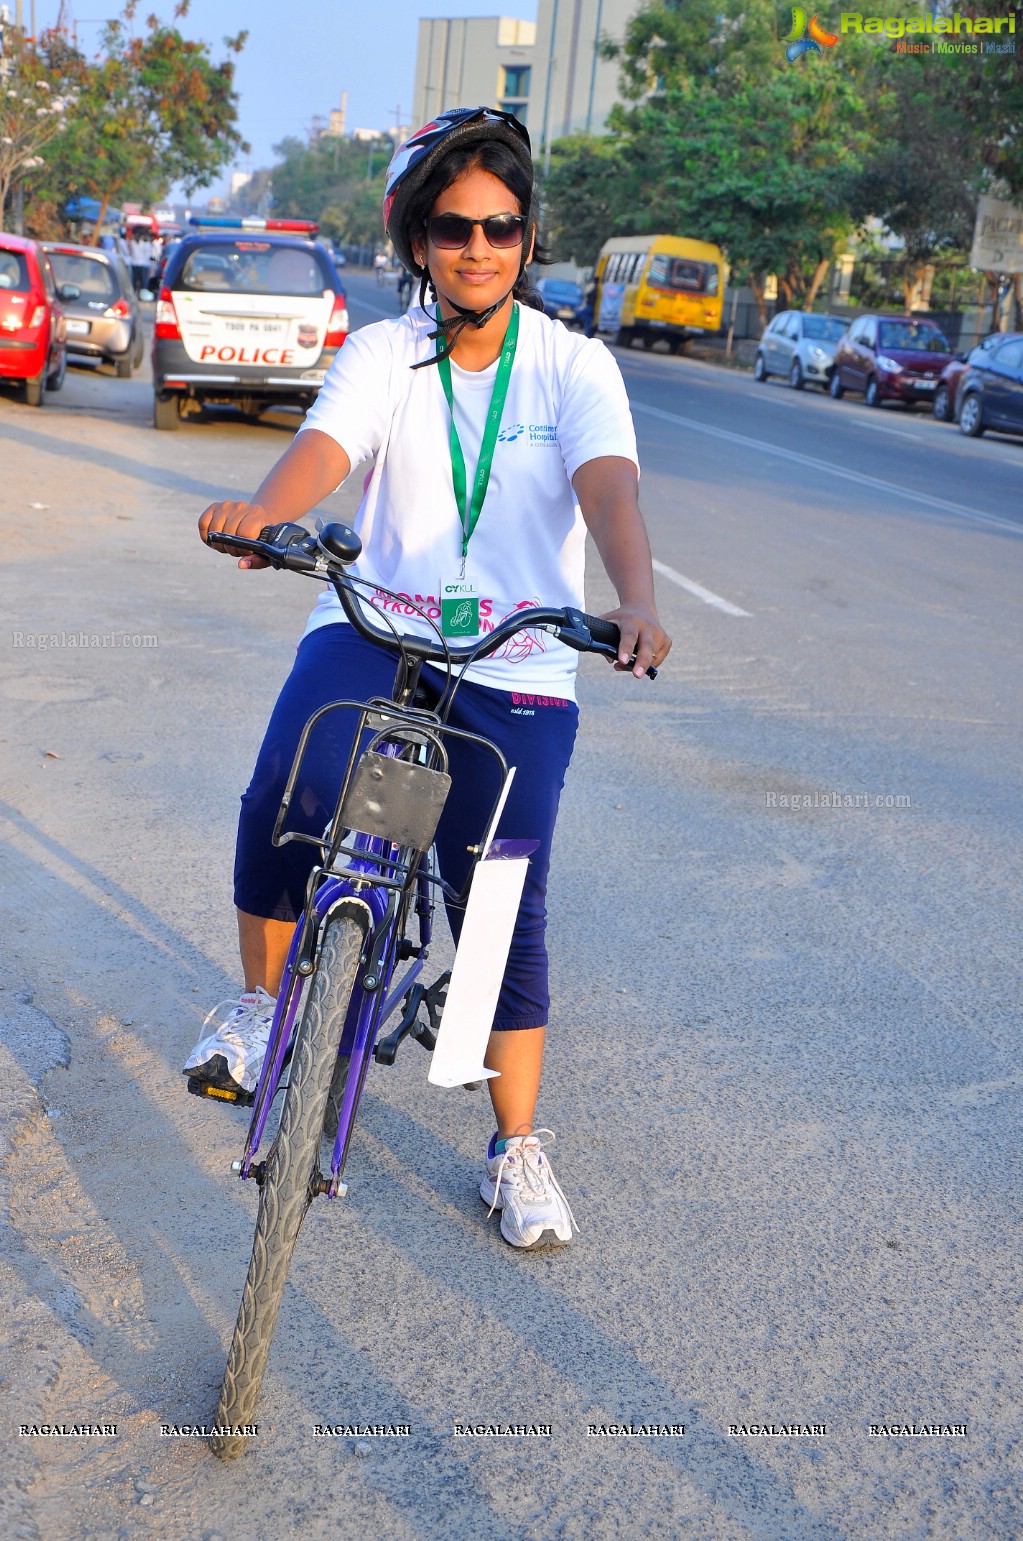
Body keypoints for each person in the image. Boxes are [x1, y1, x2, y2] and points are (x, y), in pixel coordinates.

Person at [182, 106, 671, 1250]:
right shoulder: (380, 353)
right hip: (377, 622)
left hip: (519, 656)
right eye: (453, 228)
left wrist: (635, 599)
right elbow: (330, 448)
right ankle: (263, 1015)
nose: (479, 248)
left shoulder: (574, 367)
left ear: (527, 237)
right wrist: (270, 511)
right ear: (417, 242)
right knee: (288, 794)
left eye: (501, 227)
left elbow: (610, 493)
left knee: (498, 893)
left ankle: (512, 1148)